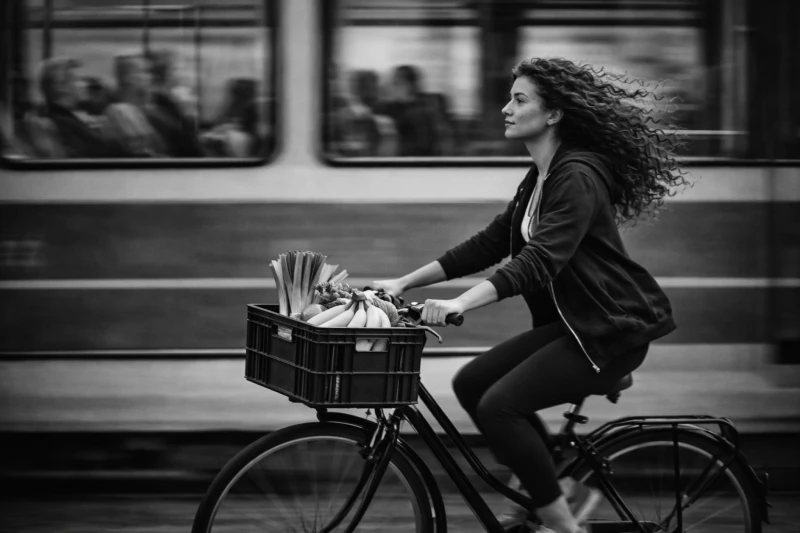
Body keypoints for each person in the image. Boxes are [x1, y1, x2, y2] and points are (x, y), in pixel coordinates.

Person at [373, 57, 688, 533]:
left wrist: (460, 303)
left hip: (610, 330)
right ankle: (554, 487)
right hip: (576, 327)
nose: (506, 108)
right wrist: (403, 283)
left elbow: (541, 259)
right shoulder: (541, 175)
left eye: (519, 100)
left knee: (501, 406)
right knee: (471, 384)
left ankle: (562, 524)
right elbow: (493, 242)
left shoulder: (576, 176)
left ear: (554, 114)